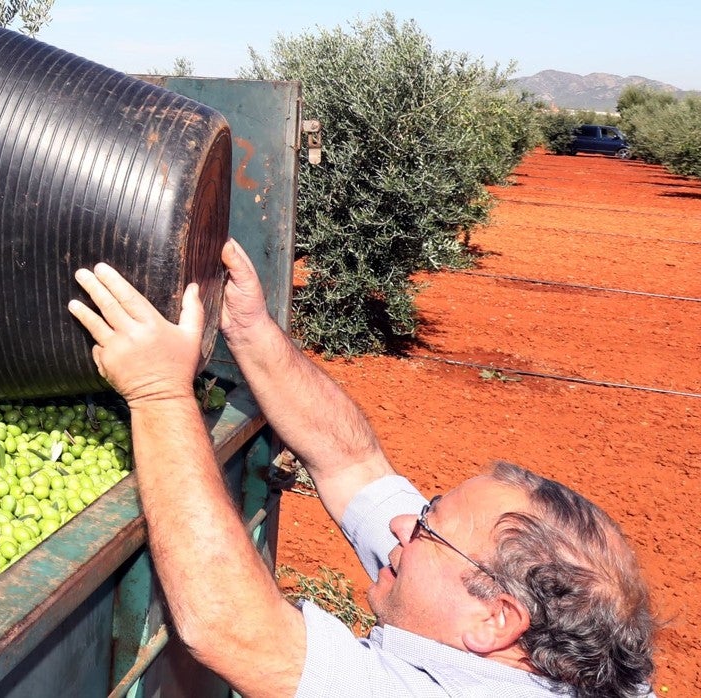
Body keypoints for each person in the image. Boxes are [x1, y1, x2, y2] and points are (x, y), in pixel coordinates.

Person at [66, 239, 658, 698]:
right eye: (426, 510)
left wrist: (158, 392)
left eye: (426, 527)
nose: (403, 524)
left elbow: (232, 628)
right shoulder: (500, 627)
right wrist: (249, 329)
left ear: (496, 619)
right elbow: (350, 461)